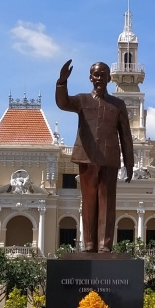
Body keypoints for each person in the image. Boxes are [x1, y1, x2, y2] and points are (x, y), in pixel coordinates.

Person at [55, 59, 134, 253]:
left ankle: (104, 244)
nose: (99, 78)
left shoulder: (118, 104)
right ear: (90, 77)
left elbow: (125, 136)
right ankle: (89, 243)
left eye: (102, 74)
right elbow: (63, 103)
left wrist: (129, 163)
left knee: (107, 203)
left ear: (109, 78)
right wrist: (62, 82)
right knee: (89, 201)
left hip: (109, 159)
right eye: (95, 74)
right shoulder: (82, 100)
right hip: (86, 157)